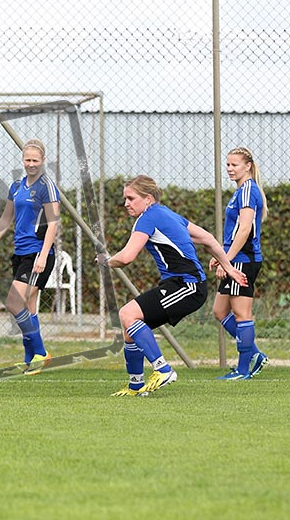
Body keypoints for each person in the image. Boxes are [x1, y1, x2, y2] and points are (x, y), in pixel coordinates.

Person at [99, 175, 248, 396]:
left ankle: (163, 370)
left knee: (128, 314)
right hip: (185, 285)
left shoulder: (147, 218)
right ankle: (136, 386)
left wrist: (106, 260)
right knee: (131, 326)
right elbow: (208, 238)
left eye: (131, 198)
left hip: (188, 286)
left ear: (148, 198)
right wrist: (229, 268)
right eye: (125, 199)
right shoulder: (166, 213)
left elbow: (127, 257)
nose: (126, 204)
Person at [0, 139, 59, 374]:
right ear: (22, 160)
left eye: (35, 160)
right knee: (29, 308)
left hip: (37, 253)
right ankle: (30, 359)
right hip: (20, 253)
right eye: (27, 160)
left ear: (43, 161)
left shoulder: (47, 186)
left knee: (14, 301)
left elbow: (53, 224)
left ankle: (41, 353)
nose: (31, 164)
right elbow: (6, 219)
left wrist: (44, 255)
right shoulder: (16, 186)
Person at [210, 147, 269, 380]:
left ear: (248, 166)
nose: (230, 168)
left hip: (243, 261)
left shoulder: (248, 190)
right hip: (236, 257)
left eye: (235, 164)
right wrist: (221, 253)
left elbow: (244, 230)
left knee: (242, 314)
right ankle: (254, 354)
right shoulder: (240, 191)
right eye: (228, 164)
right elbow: (234, 230)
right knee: (219, 310)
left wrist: (228, 261)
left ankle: (243, 369)